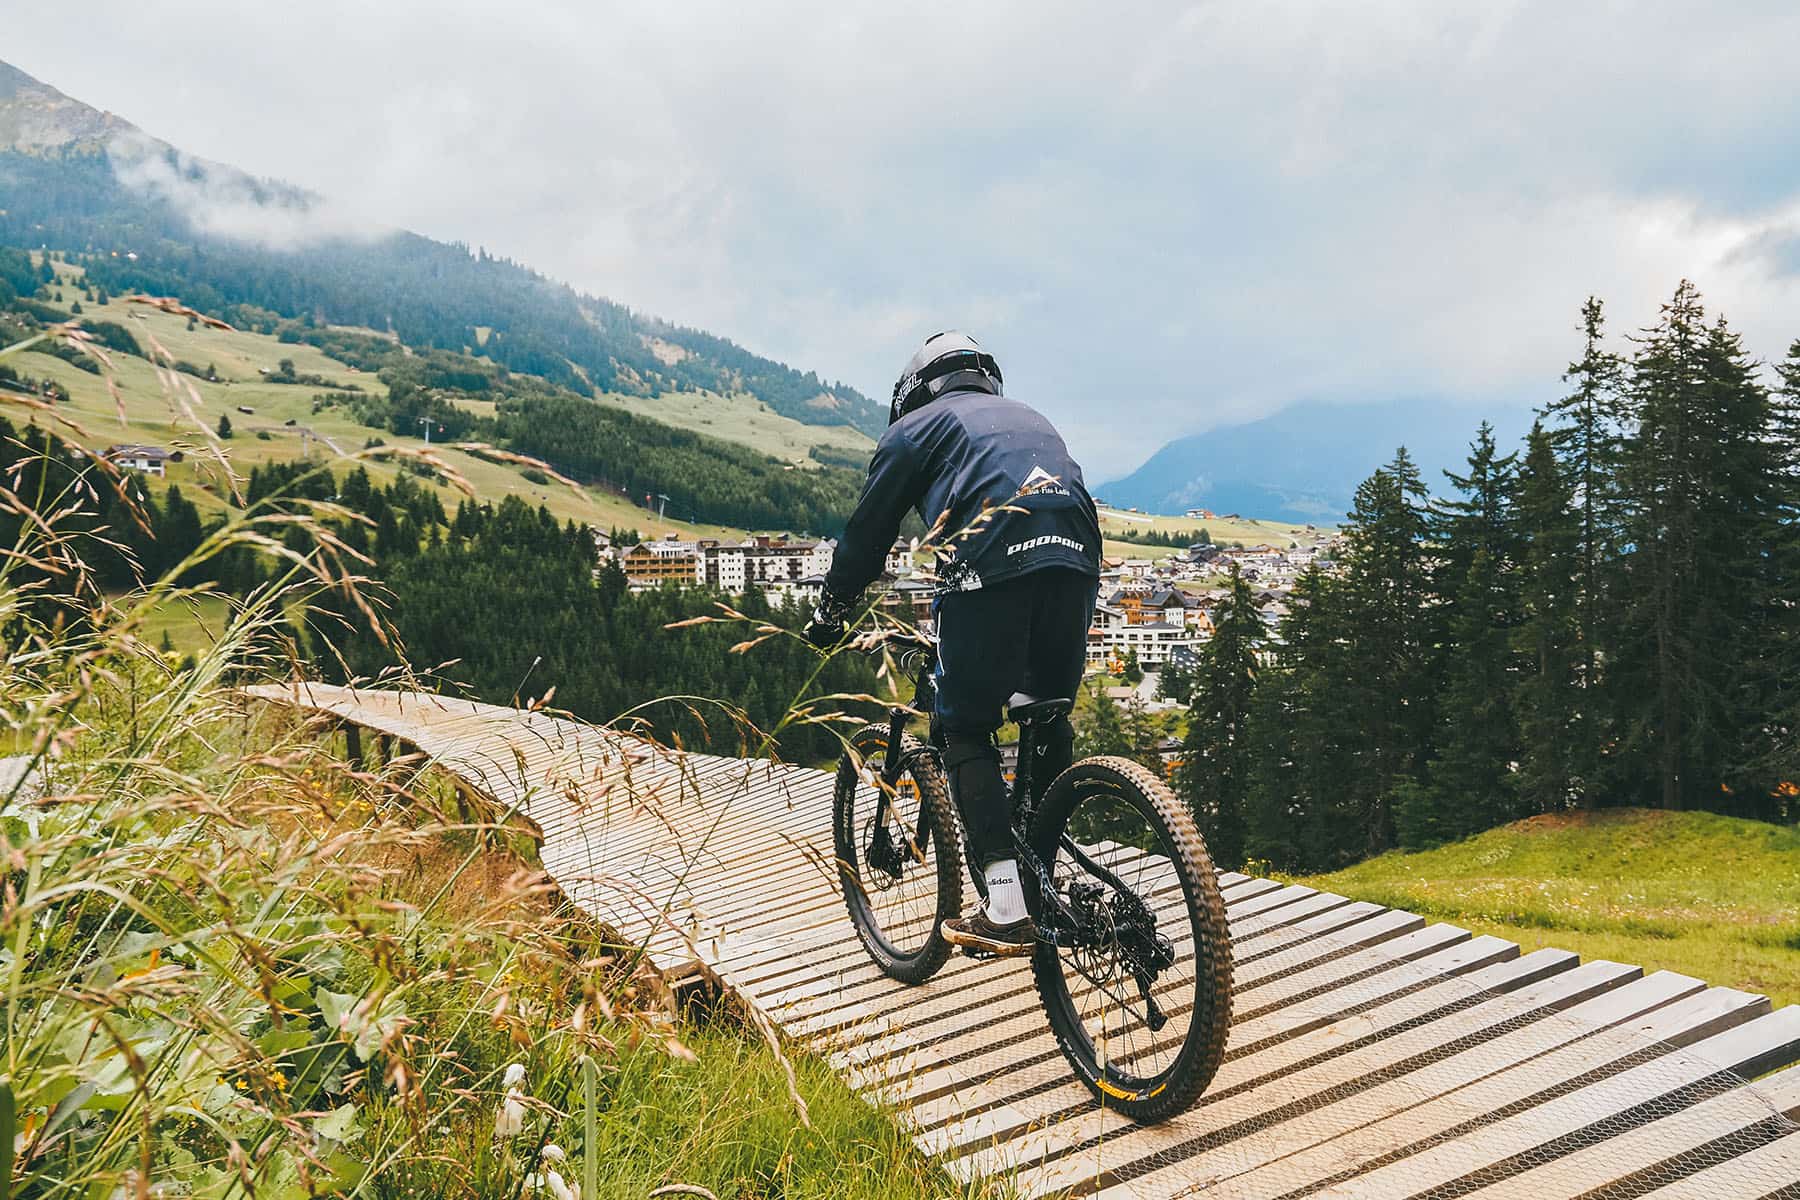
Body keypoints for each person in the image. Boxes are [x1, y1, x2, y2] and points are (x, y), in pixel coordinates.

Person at [805, 331, 1101, 955]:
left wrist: (831, 611)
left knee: (964, 725)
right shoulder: (1028, 415)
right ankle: (1043, 873)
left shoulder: (913, 430)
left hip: (992, 562)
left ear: (914, 391)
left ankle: (1006, 902)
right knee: (1045, 712)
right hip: (1076, 559)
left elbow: (866, 537)